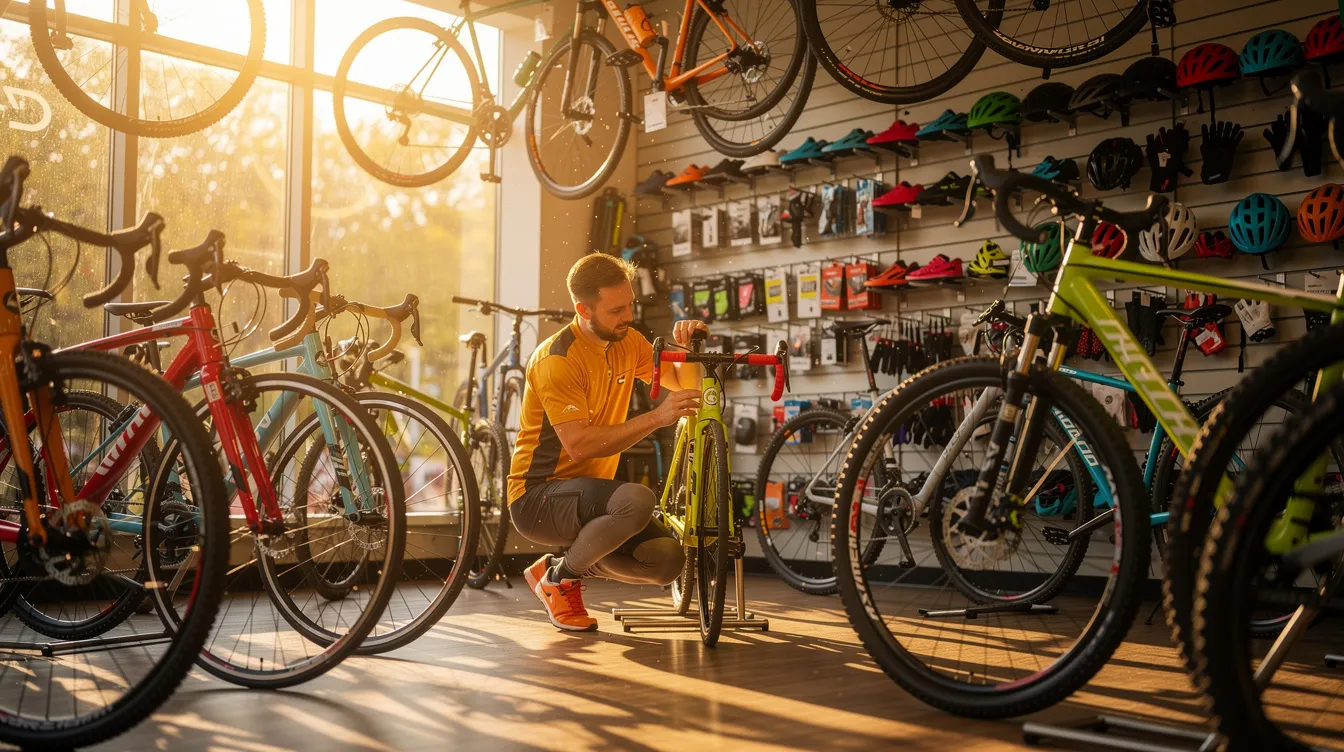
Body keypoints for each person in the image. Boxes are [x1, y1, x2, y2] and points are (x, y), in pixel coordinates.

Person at [508, 253, 706, 631]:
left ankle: (559, 568)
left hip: (590, 501)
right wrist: (657, 418)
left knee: (666, 562)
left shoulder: (626, 341)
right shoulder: (557, 360)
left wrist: (689, 350)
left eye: (629, 304)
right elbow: (579, 446)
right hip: (537, 498)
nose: (628, 316)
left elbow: (688, 388)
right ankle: (560, 583)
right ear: (583, 308)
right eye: (616, 310)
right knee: (637, 499)